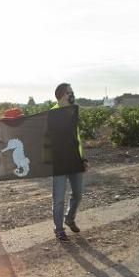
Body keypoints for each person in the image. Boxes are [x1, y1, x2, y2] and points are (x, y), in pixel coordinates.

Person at [51, 83, 88, 241]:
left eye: (73, 92)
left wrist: (83, 158)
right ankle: (58, 228)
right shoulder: (51, 114)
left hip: (75, 160)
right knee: (58, 198)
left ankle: (69, 218)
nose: (72, 95)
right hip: (59, 162)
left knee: (78, 194)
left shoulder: (73, 112)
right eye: (70, 92)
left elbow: (77, 138)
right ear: (61, 95)